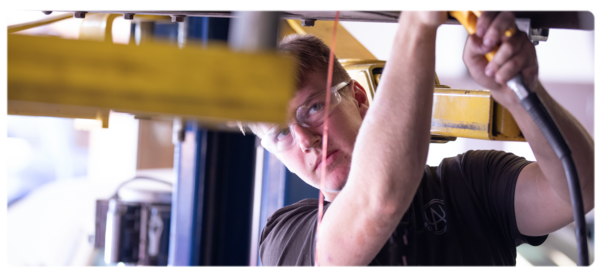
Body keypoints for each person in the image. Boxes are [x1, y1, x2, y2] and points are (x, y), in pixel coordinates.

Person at [240, 8, 596, 268]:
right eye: (282, 132)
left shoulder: (472, 184)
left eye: (314, 108)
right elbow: (380, 201)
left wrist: (522, 93)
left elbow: (581, 189)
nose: (305, 140)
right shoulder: (286, 238)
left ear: (360, 97)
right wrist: (417, 24)